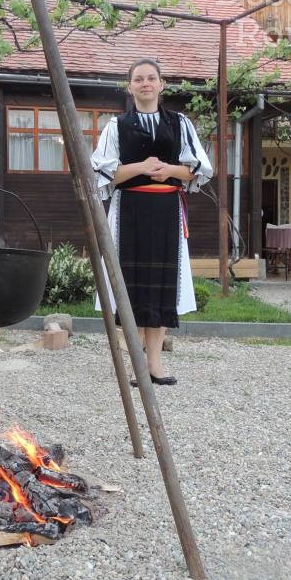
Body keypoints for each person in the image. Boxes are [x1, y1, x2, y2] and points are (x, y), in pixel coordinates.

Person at [90, 58, 213, 386]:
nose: (145, 84)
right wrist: (143, 166)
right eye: (139, 79)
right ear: (129, 87)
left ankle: (155, 364)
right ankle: (136, 364)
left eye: (151, 78)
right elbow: (105, 173)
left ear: (161, 85)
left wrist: (170, 171)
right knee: (130, 286)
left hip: (166, 211)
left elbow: (198, 169)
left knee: (161, 284)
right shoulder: (116, 126)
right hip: (129, 209)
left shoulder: (180, 123)